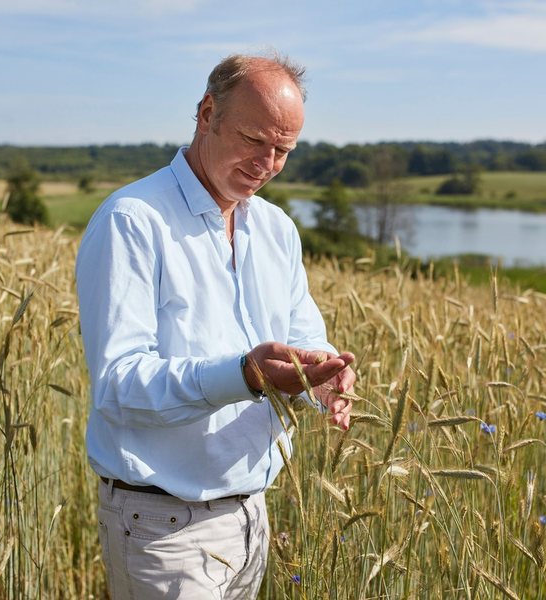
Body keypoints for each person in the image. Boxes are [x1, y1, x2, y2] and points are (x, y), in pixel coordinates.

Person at [75, 51, 356, 599]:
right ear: (207, 112)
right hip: (163, 528)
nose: (267, 163)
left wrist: (320, 378)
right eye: (255, 140)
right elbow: (118, 385)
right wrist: (246, 375)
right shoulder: (133, 221)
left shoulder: (277, 230)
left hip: (252, 518)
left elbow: (303, 339)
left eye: (284, 151)